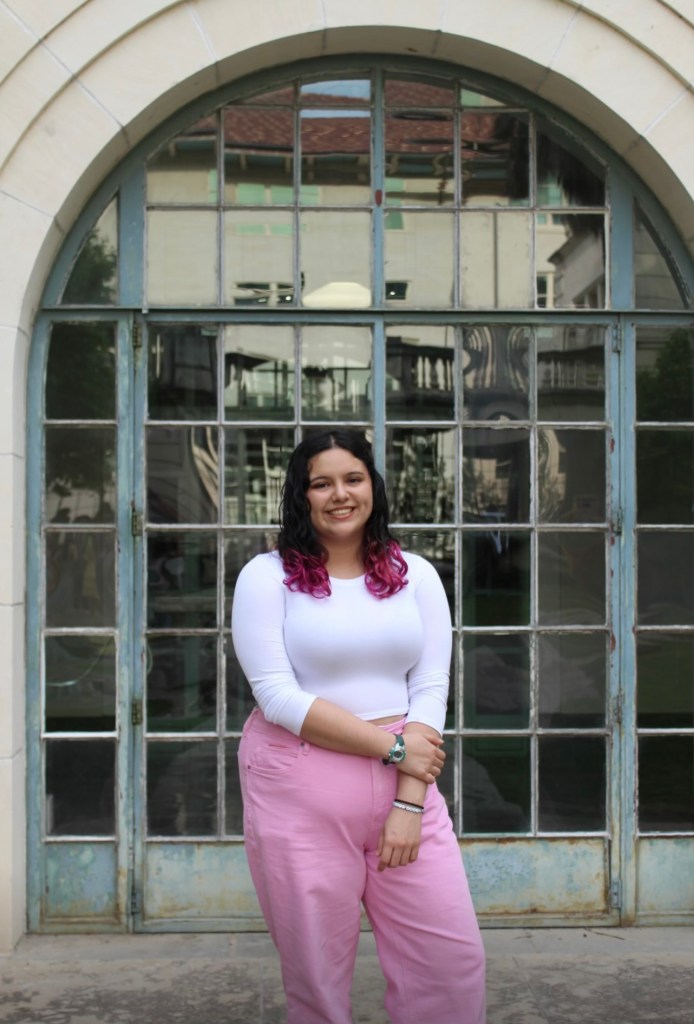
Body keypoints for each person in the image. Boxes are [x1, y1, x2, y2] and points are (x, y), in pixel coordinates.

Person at [232, 429, 486, 1024]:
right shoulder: (266, 577)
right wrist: (393, 749)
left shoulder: (415, 574)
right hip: (300, 788)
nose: (340, 494)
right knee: (317, 977)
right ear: (301, 497)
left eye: (353, 478)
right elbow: (277, 696)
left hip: (406, 783)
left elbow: (431, 686)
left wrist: (410, 800)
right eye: (321, 484)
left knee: (450, 962)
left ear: (373, 485)